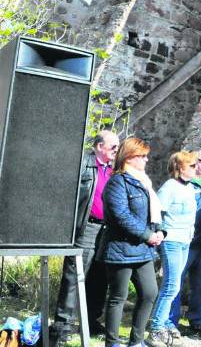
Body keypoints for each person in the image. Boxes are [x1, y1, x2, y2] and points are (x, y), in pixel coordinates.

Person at [50, 130, 119, 345]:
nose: (117, 151)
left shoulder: (114, 170)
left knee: (100, 277)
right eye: (113, 147)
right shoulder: (84, 165)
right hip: (86, 227)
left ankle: (90, 320)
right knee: (74, 275)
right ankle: (63, 325)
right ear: (99, 146)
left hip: (107, 230)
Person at [100, 137, 165, 347]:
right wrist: (148, 235)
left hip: (142, 249)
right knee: (118, 297)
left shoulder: (143, 182)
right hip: (120, 248)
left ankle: (136, 341)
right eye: (142, 156)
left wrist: (161, 230)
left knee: (150, 293)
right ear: (129, 157)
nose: (146, 160)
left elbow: (153, 213)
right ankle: (112, 343)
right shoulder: (117, 182)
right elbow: (122, 216)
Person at [148, 151, 199, 342]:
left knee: (175, 285)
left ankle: (166, 323)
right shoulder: (169, 187)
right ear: (180, 168)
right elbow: (156, 215)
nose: (196, 169)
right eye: (192, 165)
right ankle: (156, 328)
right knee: (171, 285)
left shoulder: (189, 188)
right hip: (171, 241)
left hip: (185, 241)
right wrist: (160, 234)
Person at [170, 148, 201, 332]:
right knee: (176, 283)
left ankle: (196, 320)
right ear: (196, 161)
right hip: (186, 242)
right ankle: (171, 322)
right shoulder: (184, 183)